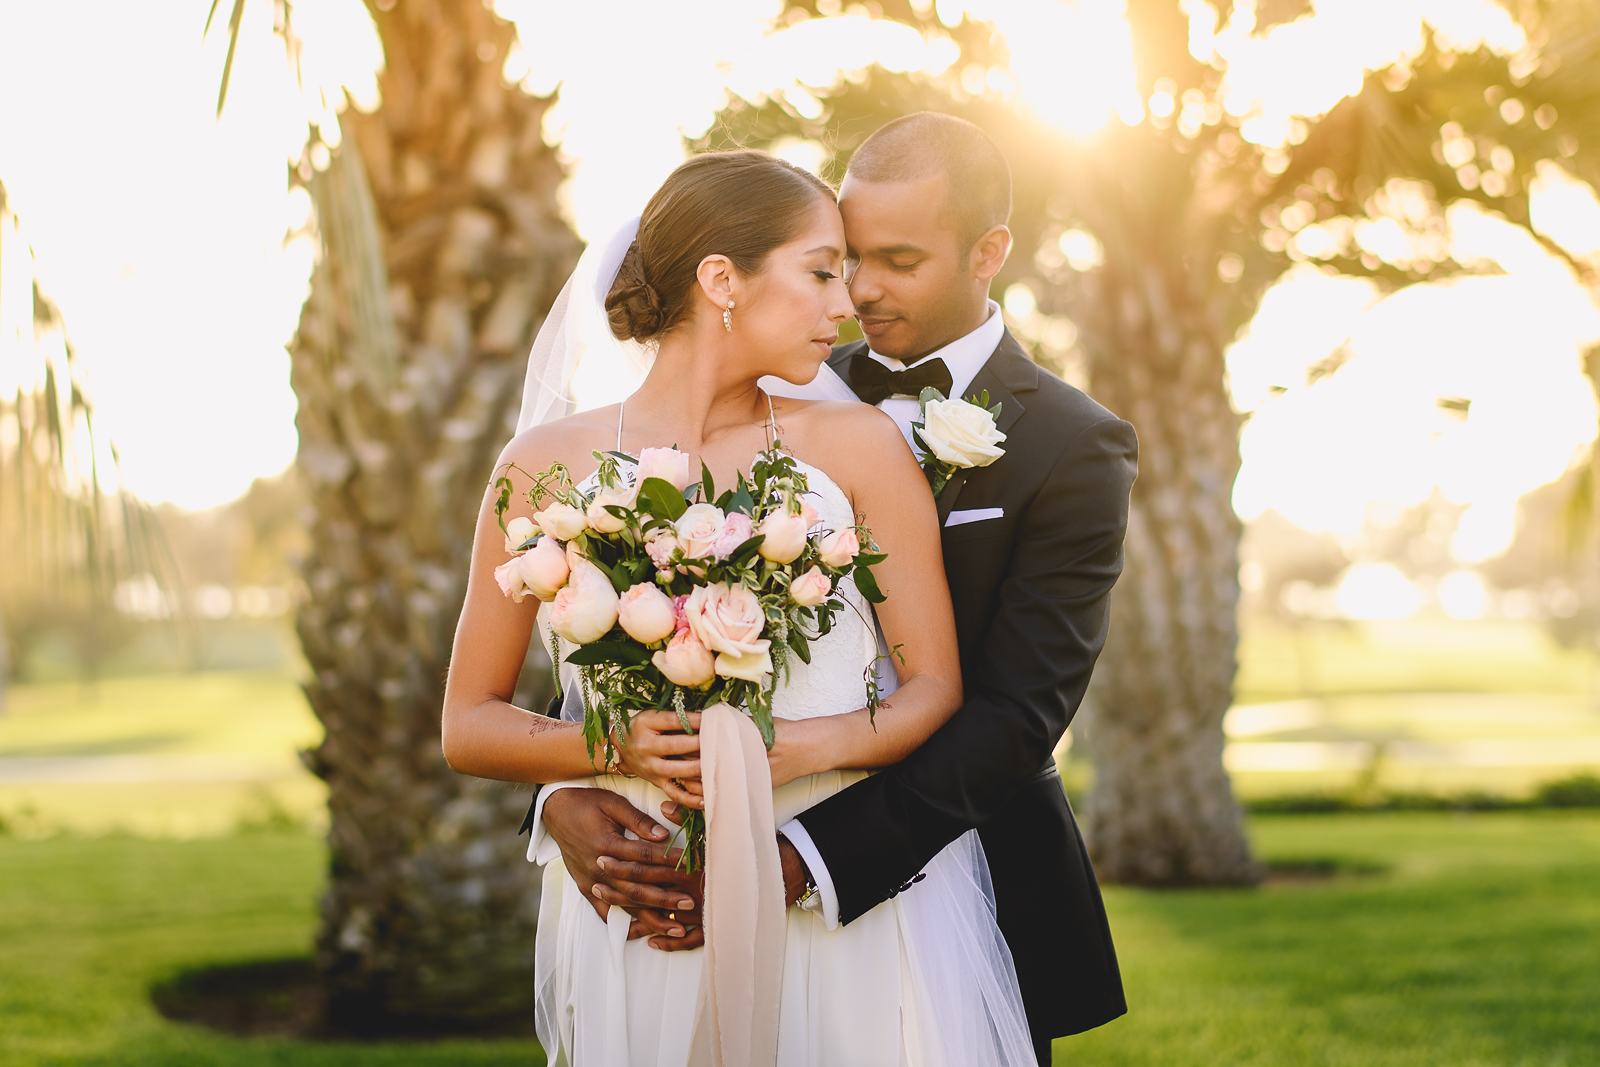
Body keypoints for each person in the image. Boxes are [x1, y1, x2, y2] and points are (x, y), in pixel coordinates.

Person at [528, 113, 1140, 1066]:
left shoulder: (1073, 442)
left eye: (898, 260)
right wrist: (567, 784)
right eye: (844, 258)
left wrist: (797, 857)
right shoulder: (779, 379)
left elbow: (1020, 712)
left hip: (956, 875)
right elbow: (611, 605)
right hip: (695, 860)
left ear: (990, 253)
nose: (858, 290)